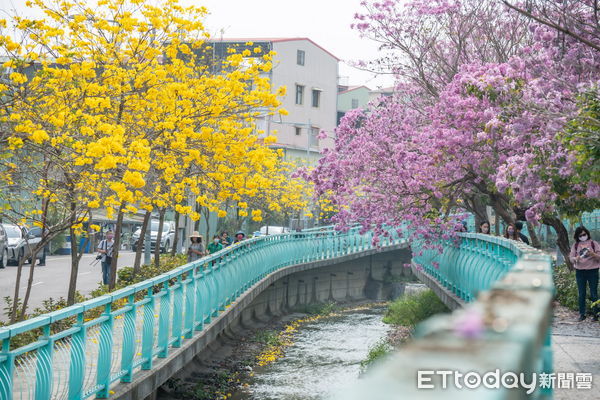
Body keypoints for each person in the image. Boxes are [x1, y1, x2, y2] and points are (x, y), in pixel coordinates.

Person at [569, 226, 600, 322]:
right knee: (581, 293)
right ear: (577, 236)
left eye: (584, 234)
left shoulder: (594, 243)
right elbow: (571, 257)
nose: (582, 236)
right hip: (580, 271)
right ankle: (582, 314)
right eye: (580, 235)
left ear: (587, 233)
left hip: (593, 271)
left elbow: (599, 257)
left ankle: (596, 314)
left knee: (594, 293)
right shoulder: (576, 245)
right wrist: (575, 259)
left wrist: (592, 254)